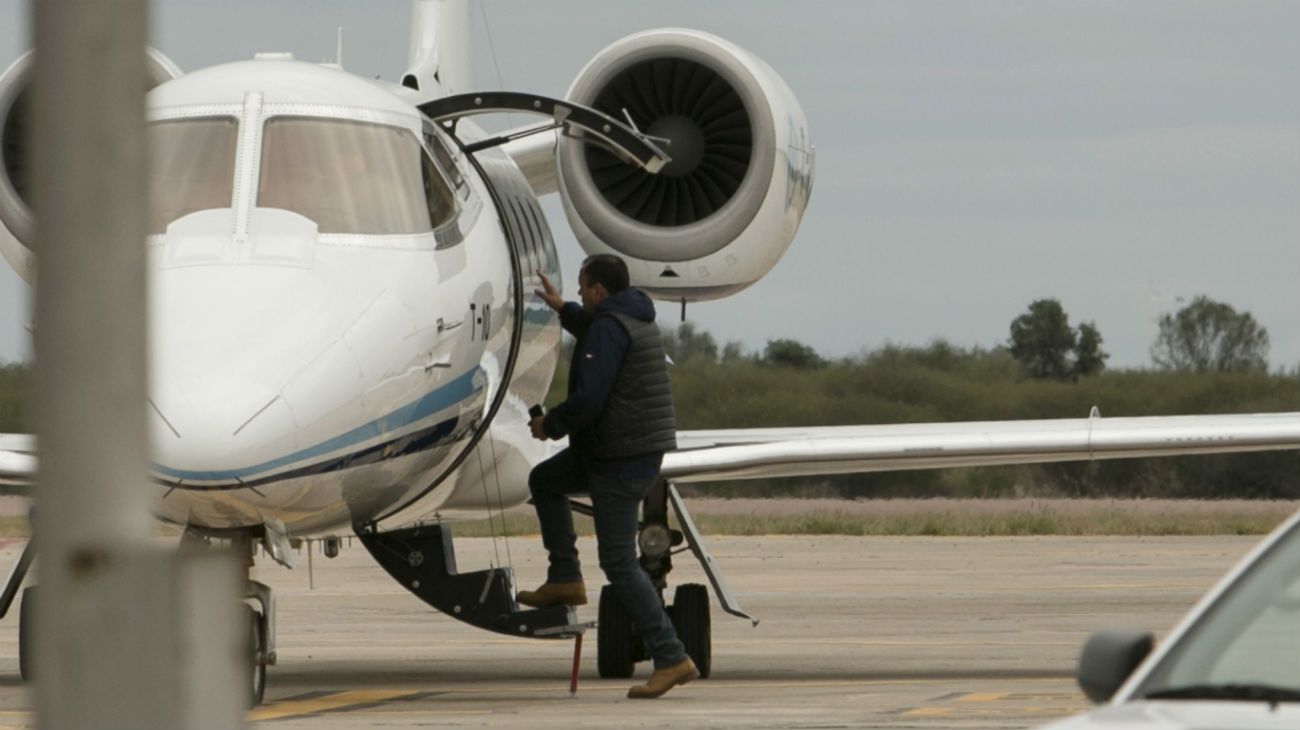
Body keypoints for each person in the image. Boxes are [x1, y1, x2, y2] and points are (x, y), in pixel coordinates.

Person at [519, 254, 697, 700]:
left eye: (582, 288)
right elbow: (599, 337)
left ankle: (671, 656)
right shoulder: (628, 316)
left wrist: (550, 425)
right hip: (622, 451)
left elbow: (588, 400)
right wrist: (563, 310)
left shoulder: (608, 327)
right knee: (545, 480)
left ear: (599, 290)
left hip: (618, 457)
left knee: (619, 562)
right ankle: (565, 578)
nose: (579, 293)